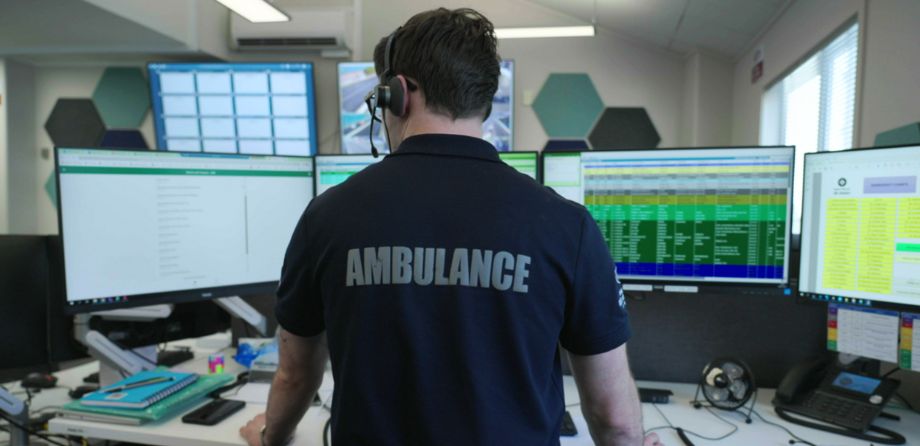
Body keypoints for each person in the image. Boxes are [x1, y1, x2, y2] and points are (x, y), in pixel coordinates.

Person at [241, 7, 660, 446]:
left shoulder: (325, 217)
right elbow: (613, 418)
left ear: (397, 93)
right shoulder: (566, 225)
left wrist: (271, 440)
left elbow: (295, 375)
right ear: (484, 98)